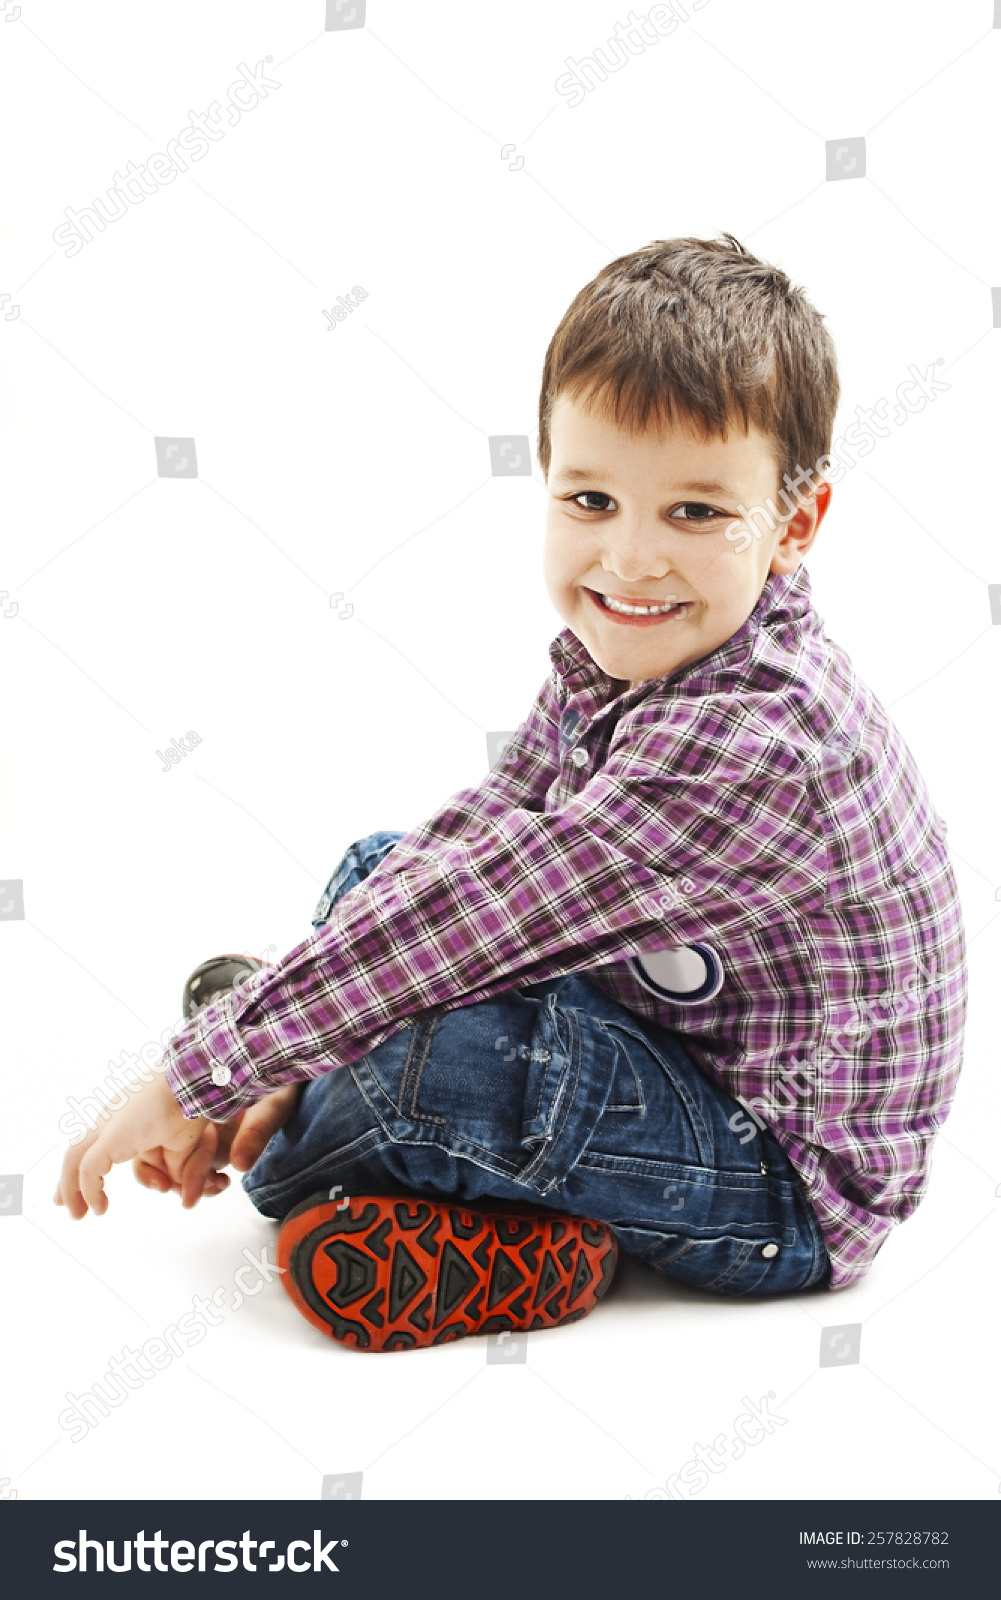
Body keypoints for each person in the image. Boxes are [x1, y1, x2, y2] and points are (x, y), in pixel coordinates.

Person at [55, 234, 968, 1353]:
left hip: (775, 1182)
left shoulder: (750, 740)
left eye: (693, 512)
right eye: (589, 498)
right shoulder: (632, 654)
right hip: (667, 1026)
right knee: (379, 868)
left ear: (791, 524)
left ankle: (381, 1164)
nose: (630, 561)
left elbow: (483, 914)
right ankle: (322, 1079)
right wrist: (281, 1031)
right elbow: (489, 839)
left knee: (414, 1061)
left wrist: (207, 1072)